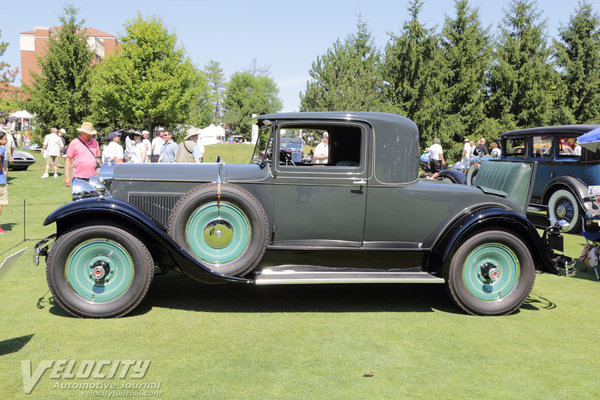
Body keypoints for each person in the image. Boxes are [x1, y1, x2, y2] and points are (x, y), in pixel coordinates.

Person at [64, 122, 100, 187]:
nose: (89, 135)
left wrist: (98, 172)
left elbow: (97, 158)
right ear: (82, 132)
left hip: (93, 178)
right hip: (78, 178)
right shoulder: (74, 143)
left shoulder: (95, 143)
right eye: (87, 133)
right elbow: (68, 160)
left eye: (90, 134)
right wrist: (67, 177)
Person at [0, 131, 8, 233]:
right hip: (0, 180)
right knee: (0, 203)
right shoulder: (1, 148)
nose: (6, 140)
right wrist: (2, 170)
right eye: (5, 138)